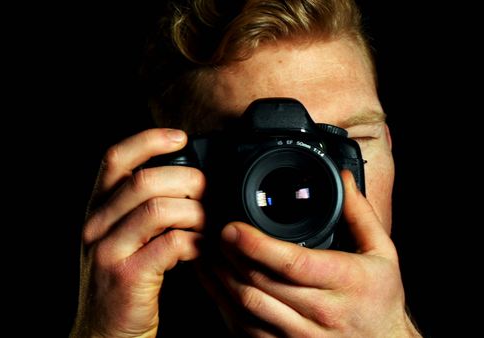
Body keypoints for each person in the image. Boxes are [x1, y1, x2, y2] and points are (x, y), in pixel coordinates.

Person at [70, 0, 423, 337]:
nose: (316, 178)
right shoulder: (138, 309)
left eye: (350, 138)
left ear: (389, 141)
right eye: (261, 153)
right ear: (175, 169)